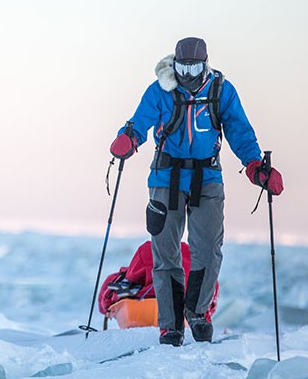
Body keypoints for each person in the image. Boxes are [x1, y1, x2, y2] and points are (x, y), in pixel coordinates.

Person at [109, 37, 284, 346]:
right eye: (181, 67)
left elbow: (239, 130)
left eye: (194, 67)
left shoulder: (221, 91)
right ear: (174, 64)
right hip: (166, 177)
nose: (187, 74)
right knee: (166, 253)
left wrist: (255, 165)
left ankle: (198, 312)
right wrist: (130, 139)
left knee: (208, 250)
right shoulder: (160, 90)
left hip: (208, 177)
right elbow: (141, 121)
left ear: (206, 63)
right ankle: (171, 326)